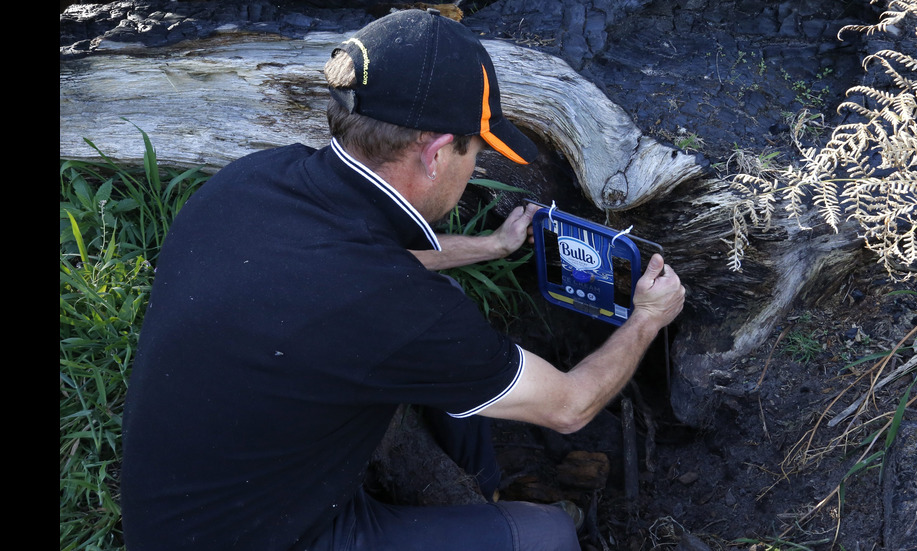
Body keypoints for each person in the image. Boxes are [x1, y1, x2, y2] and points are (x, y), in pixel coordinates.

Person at [120, 8, 685, 551]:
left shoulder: (252, 181)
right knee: (547, 537)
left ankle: (477, 486)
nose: (473, 172)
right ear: (438, 153)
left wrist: (492, 246)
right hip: (272, 537)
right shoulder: (394, 308)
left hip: (182, 507)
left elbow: (359, 272)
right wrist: (646, 318)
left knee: (445, 330)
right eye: (477, 153)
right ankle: (485, 505)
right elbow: (569, 407)